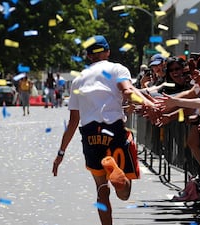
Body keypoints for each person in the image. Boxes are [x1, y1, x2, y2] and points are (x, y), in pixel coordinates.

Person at [51, 35, 156, 225]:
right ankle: (117, 173)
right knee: (124, 193)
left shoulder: (78, 80)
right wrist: (149, 104)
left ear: (89, 56)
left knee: (101, 189)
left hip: (90, 135)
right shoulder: (117, 69)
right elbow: (127, 91)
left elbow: (74, 121)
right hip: (114, 130)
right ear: (107, 52)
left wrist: (61, 153)